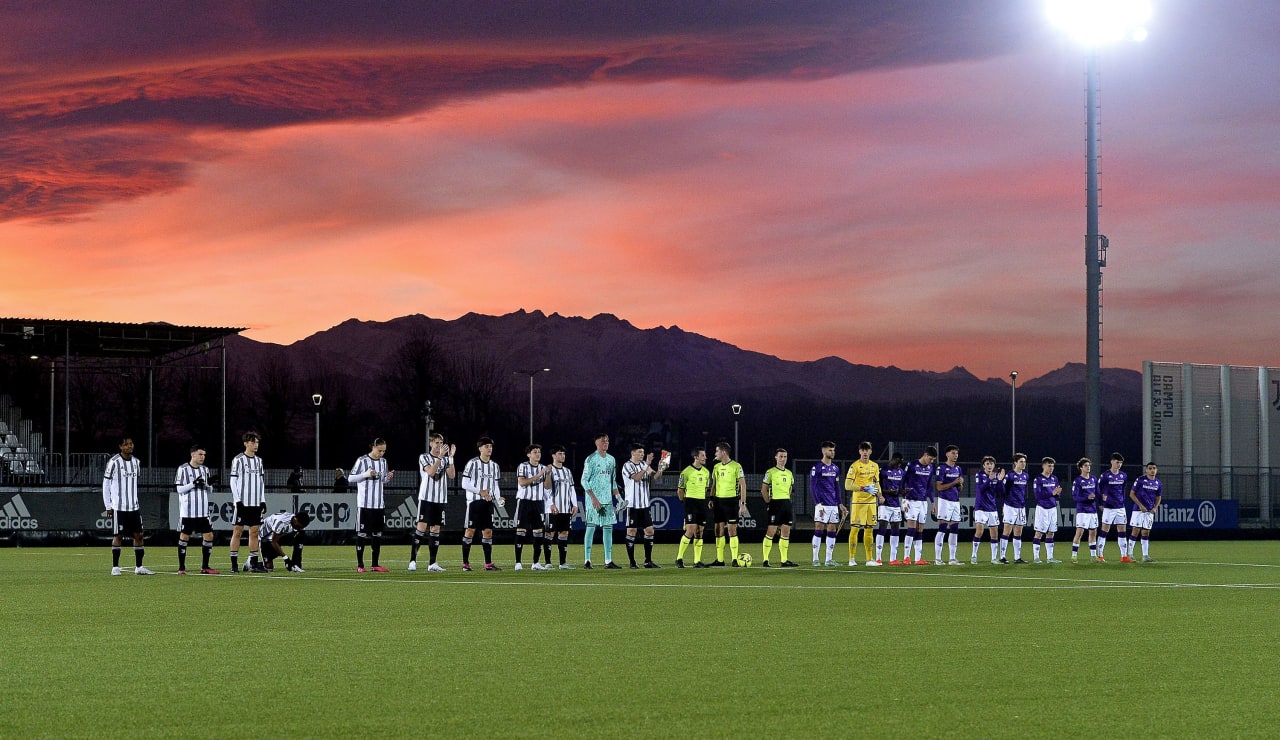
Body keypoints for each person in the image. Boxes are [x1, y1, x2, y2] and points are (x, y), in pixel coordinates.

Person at [103, 436, 153, 575]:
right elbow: (106, 484)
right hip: (119, 507)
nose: (129, 446)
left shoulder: (136, 462)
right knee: (118, 536)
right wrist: (108, 505)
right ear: (120, 446)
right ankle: (115, 567)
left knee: (139, 536)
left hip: (134, 507)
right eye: (126, 444)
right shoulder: (114, 462)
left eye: (131, 444)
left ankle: (139, 567)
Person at [409, 433, 455, 573]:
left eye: (441, 442)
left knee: (435, 530)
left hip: (440, 499)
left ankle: (432, 563)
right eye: (436, 443)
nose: (439, 445)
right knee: (421, 528)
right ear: (431, 444)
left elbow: (452, 475)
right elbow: (430, 472)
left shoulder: (446, 459)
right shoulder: (424, 457)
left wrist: (451, 457)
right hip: (426, 498)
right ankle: (412, 561)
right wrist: (441, 457)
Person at [350, 438, 394, 573]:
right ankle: (360, 565)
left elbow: (382, 480)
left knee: (377, 535)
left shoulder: (383, 462)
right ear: (373, 447)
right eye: (380, 450)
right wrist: (366, 474)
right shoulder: (362, 460)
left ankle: (375, 564)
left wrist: (388, 478)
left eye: (384, 451)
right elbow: (351, 478)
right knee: (362, 534)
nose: (382, 453)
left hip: (379, 505)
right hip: (365, 505)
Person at [461, 436, 504, 571]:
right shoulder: (472, 463)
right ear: (480, 448)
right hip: (474, 502)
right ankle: (465, 564)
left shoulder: (495, 466)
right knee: (470, 531)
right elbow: (464, 483)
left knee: (488, 532)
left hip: (488, 503)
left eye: (491, 446)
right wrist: (480, 492)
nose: (489, 449)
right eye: (486, 446)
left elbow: (495, 485)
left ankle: (488, 564)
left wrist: (498, 498)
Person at [175, 444, 219, 574]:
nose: (202, 457)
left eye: (204, 455)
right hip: (188, 511)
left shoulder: (205, 470)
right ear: (192, 454)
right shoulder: (183, 469)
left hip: (203, 511)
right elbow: (179, 489)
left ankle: (205, 567)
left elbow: (209, 491)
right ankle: (181, 567)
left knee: (209, 536)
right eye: (200, 454)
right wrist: (193, 484)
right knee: (184, 536)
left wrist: (209, 484)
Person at [580, 432, 621, 569]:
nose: (606, 443)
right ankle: (587, 560)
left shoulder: (611, 459)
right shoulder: (591, 459)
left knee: (608, 528)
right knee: (591, 527)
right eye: (603, 441)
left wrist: (618, 498)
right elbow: (584, 480)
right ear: (597, 443)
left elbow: (613, 481)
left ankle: (608, 561)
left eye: (607, 440)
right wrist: (593, 498)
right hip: (594, 500)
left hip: (607, 500)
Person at [622, 443, 666, 568]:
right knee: (632, 531)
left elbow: (656, 477)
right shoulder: (627, 466)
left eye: (643, 452)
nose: (642, 454)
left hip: (644, 504)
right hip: (632, 505)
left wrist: (662, 466)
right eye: (640, 452)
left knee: (650, 530)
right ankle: (632, 562)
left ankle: (648, 561)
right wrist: (647, 464)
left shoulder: (643, 465)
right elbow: (636, 478)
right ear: (633, 453)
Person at [229, 431, 266, 573]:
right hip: (242, 503)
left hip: (255, 503)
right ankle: (234, 565)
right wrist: (237, 500)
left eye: (257, 442)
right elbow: (233, 480)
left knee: (254, 533)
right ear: (246, 443)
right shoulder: (238, 460)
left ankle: (253, 564)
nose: (255, 445)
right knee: (237, 531)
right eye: (253, 442)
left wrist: (262, 500)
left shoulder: (259, 461)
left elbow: (261, 481)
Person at [514, 443, 551, 571]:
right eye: (535, 452)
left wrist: (548, 474)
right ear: (529, 454)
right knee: (521, 530)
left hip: (538, 503)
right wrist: (539, 475)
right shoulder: (523, 466)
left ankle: (535, 563)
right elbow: (522, 482)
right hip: (525, 501)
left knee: (539, 532)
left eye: (539, 452)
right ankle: (518, 562)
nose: (538, 454)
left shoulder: (543, 468)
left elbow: (547, 486)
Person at [809, 441, 846, 566]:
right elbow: (812, 487)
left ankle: (828, 560)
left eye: (833, 450)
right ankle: (815, 559)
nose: (832, 452)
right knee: (819, 528)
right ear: (824, 451)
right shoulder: (817, 468)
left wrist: (840, 503)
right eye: (830, 450)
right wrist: (817, 504)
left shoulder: (835, 468)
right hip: (822, 504)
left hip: (833, 505)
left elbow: (837, 487)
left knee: (832, 529)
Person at [711, 442, 748, 566]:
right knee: (718, 530)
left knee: (732, 530)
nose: (715, 454)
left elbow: (743, 485)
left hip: (731, 501)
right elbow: (714, 484)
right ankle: (720, 560)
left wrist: (742, 504)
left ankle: (734, 560)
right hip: (718, 501)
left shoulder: (736, 466)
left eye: (717, 451)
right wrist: (711, 498)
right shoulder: (716, 467)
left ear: (723, 452)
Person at [844, 441, 880, 566]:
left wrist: (880, 495)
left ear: (870, 451)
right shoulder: (854, 466)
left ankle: (869, 559)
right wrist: (864, 488)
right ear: (859, 451)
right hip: (858, 502)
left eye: (867, 450)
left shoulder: (874, 466)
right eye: (863, 450)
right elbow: (847, 485)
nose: (865, 452)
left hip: (871, 502)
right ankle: (851, 559)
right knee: (855, 529)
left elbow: (876, 482)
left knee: (869, 529)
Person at [760, 448, 798, 567]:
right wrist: (768, 503)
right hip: (775, 504)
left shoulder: (789, 473)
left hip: (786, 503)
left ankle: (784, 560)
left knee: (786, 532)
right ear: (776, 457)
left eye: (785, 457)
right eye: (781, 456)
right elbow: (763, 489)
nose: (783, 459)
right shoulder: (770, 472)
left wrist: (787, 498)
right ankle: (766, 560)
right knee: (771, 531)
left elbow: (790, 488)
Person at [900, 447, 937, 565]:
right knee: (911, 528)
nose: (931, 461)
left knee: (920, 529)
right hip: (911, 501)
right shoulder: (912, 465)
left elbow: (929, 486)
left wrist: (932, 502)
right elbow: (902, 480)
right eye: (930, 459)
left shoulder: (930, 467)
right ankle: (906, 557)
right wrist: (903, 496)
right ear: (925, 455)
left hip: (923, 502)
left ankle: (918, 558)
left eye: (933, 460)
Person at [675, 447, 711, 568]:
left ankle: (697, 561)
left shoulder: (706, 472)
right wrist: (683, 502)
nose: (705, 457)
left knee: (699, 531)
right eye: (702, 455)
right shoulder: (686, 472)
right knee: (690, 530)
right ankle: (679, 558)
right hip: (690, 502)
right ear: (695, 457)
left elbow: (706, 489)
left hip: (702, 503)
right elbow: (680, 490)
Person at [545, 444, 579, 569]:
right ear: (553, 455)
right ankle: (548, 563)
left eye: (563, 454)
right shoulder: (548, 470)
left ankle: (562, 563)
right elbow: (546, 489)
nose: (562, 456)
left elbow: (571, 489)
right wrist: (550, 504)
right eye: (560, 453)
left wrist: (574, 504)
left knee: (564, 533)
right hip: (552, 508)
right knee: (550, 533)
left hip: (565, 508)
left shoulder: (567, 471)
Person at [933, 445, 964, 565]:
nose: (955, 455)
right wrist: (954, 482)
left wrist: (960, 484)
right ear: (947, 454)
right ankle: (937, 559)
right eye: (953, 453)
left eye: (956, 453)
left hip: (955, 501)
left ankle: (952, 558)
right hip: (944, 501)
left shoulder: (958, 469)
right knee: (942, 528)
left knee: (954, 529)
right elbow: (939, 487)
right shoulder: (941, 468)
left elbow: (959, 488)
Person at [1097, 452, 1130, 562]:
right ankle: (1100, 556)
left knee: (1122, 532)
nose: (1119, 464)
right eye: (1117, 462)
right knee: (1104, 531)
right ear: (1112, 462)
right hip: (1109, 508)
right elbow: (1097, 489)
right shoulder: (1105, 475)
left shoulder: (1123, 476)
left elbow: (1123, 489)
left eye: (1120, 463)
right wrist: (1101, 502)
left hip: (1120, 507)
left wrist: (1122, 501)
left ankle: (1124, 556)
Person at [971, 456, 1004, 564]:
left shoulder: (995, 476)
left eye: (991, 464)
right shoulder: (980, 475)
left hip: (992, 508)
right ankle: (974, 556)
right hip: (980, 507)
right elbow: (980, 489)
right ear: (984, 465)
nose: (989, 465)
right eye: (987, 464)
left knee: (994, 534)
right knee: (979, 531)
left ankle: (994, 558)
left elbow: (1000, 492)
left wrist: (999, 481)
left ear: (994, 465)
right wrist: (989, 480)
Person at [1128, 462, 1163, 562]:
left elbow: (1158, 497)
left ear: (1156, 470)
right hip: (1138, 510)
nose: (1152, 470)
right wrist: (1140, 505)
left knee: (1146, 532)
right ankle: (1129, 554)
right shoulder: (1140, 480)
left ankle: (1145, 556)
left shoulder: (1158, 483)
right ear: (1146, 470)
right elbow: (1132, 494)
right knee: (1135, 531)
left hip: (1149, 511)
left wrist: (1155, 507)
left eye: (1154, 468)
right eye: (1150, 468)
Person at [998, 453, 1031, 564]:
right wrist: (1004, 505)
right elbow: (1002, 491)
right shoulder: (1010, 475)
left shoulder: (1026, 476)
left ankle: (1017, 557)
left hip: (1021, 507)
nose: (1023, 463)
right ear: (1015, 463)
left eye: (1024, 461)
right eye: (1021, 461)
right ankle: (1002, 556)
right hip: (1010, 506)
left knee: (1018, 532)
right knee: (1007, 531)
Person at [1031, 457, 1062, 564]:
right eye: (1049, 465)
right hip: (1042, 509)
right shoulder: (1038, 479)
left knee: (1051, 532)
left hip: (1053, 508)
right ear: (1043, 466)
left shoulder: (1054, 478)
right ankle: (1036, 557)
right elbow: (1037, 495)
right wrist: (1052, 493)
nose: (1051, 468)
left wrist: (1058, 494)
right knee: (1039, 532)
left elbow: (1056, 495)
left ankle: (1050, 557)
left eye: (1052, 466)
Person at [876, 452, 906, 565]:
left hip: (896, 505)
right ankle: (878, 558)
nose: (899, 465)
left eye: (900, 464)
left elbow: (901, 488)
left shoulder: (901, 472)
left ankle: (893, 558)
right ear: (893, 459)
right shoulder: (883, 470)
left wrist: (904, 492)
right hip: (885, 503)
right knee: (882, 527)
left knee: (895, 529)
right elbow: (877, 486)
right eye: (898, 462)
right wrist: (887, 492)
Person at [1070, 457, 1100, 563]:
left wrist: (1101, 501)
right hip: (1082, 511)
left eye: (1089, 465)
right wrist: (1086, 498)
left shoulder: (1094, 479)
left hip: (1093, 510)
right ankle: (1074, 556)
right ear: (1081, 468)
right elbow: (1075, 497)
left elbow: (1097, 493)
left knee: (1093, 533)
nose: (1088, 467)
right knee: (1079, 533)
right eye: (1086, 466)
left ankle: (1093, 556)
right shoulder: (1078, 481)